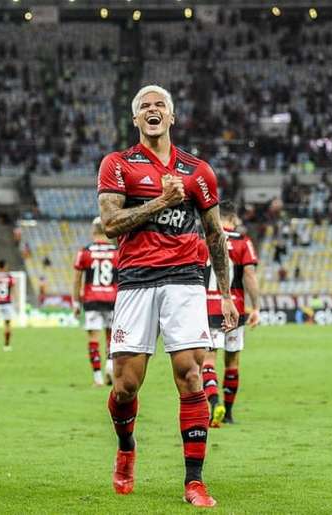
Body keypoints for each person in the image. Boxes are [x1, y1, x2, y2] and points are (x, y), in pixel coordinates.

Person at [97, 84, 238, 507]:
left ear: (172, 117)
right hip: (136, 280)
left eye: (160, 105)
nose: (152, 110)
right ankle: (126, 447)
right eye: (144, 106)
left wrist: (226, 294)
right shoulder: (118, 164)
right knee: (125, 386)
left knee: (191, 374)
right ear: (135, 119)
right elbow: (110, 223)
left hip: (185, 281)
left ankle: (193, 481)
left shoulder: (198, 170)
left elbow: (214, 234)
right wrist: (161, 200)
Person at [199, 202, 260, 427]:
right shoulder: (243, 242)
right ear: (233, 219)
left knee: (208, 360)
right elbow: (250, 276)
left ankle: (214, 403)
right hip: (235, 308)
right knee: (232, 360)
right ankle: (229, 413)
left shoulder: (204, 238)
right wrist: (257, 307)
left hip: (207, 308)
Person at [72, 217, 118, 386]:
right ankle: (110, 366)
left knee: (93, 338)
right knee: (111, 338)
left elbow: (77, 279)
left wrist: (76, 302)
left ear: (93, 231)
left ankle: (98, 378)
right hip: (113, 300)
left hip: (92, 300)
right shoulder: (116, 252)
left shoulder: (85, 252)